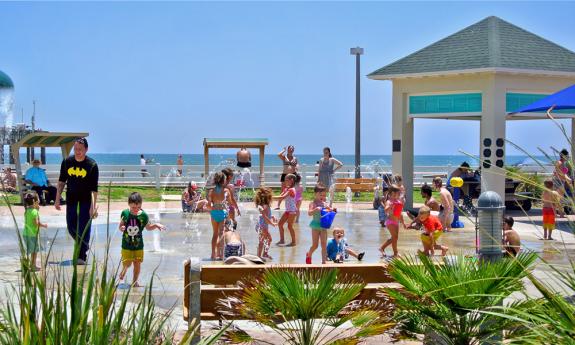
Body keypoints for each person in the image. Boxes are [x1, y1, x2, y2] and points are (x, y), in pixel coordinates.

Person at [55, 137, 99, 265]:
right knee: (71, 227)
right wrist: (57, 198)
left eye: (80, 149)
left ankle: (82, 256)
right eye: (75, 149)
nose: (77, 151)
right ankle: (84, 245)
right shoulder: (67, 162)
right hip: (72, 198)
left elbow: (94, 189)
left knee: (84, 227)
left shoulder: (92, 165)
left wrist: (93, 206)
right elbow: (61, 181)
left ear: (86, 149)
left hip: (86, 200)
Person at [118, 192, 165, 287]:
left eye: (138, 207)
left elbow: (148, 227)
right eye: (133, 208)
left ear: (141, 205)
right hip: (126, 244)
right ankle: (124, 270)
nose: (135, 210)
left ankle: (135, 281)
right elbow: (120, 226)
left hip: (138, 245)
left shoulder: (143, 215)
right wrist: (121, 228)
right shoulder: (125, 213)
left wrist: (155, 225)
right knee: (127, 263)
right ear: (129, 205)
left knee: (137, 263)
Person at [207, 172, 233, 260]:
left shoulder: (211, 191)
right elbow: (230, 204)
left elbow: (208, 205)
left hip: (214, 213)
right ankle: (221, 255)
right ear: (223, 180)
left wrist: (211, 209)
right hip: (222, 213)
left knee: (214, 234)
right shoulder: (226, 191)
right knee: (221, 233)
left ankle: (213, 254)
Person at [306, 183, 331, 264]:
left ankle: (323, 262)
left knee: (324, 245)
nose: (322, 197)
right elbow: (309, 213)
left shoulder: (324, 204)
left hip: (323, 226)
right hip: (316, 226)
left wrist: (331, 210)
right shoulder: (313, 204)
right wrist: (315, 209)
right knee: (315, 245)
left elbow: (329, 212)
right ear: (315, 194)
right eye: (321, 195)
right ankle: (309, 254)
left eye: (324, 195)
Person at [23, 191, 48, 270]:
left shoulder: (27, 210)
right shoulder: (35, 212)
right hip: (32, 235)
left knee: (30, 250)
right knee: (34, 251)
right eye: (38, 201)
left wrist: (36, 208)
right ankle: (33, 266)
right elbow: (36, 223)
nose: (39, 203)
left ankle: (27, 263)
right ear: (35, 202)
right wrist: (43, 225)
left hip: (25, 234)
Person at [380, 185, 403, 258]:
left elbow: (400, 214)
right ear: (391, 194)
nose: (397, 196)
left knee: (395, 238)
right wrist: (390, 206)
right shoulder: (389, 201)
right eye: (395, 194)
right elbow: (386, 209)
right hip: (390, 222)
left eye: (398, 194)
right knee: (395, 237)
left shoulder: (398, 201)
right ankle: (395, 253)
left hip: (396, 222)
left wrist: (403, 222)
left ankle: (382, 248)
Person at [255, 187, 277, 259]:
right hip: (263, 226)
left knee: (268, 239)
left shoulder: (263, 206)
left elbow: (265, 215)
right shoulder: (265, 206)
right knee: (262, 241)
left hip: (261, 225)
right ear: (269, 198)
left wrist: (272, 216)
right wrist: (272, 223)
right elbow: (265, 217)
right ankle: (258, 256)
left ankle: (264, 254)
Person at [277, 174, 297, 246]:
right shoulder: (286, 189)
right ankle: (282, 240)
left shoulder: (292, 190)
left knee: (289, 226)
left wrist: (269, 196)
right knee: (280, 224)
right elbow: (280, 196)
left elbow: (282, 197)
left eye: (286, 180)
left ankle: (294, 242)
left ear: (291, 181)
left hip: (292, 211)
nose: (285, 181)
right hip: (288, 211)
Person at [553, 149, 571, 217]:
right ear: (563, 156)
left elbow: (563, 173)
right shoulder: (559, 162)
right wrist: (567, 178)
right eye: (567, 155)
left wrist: (567, 179)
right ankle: (560, 213)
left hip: (562, 181)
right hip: (558, 181)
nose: (568, 157)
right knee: (557, 198)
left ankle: (559, 213)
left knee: (559, 198)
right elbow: (557, 173)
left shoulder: (563, 163)